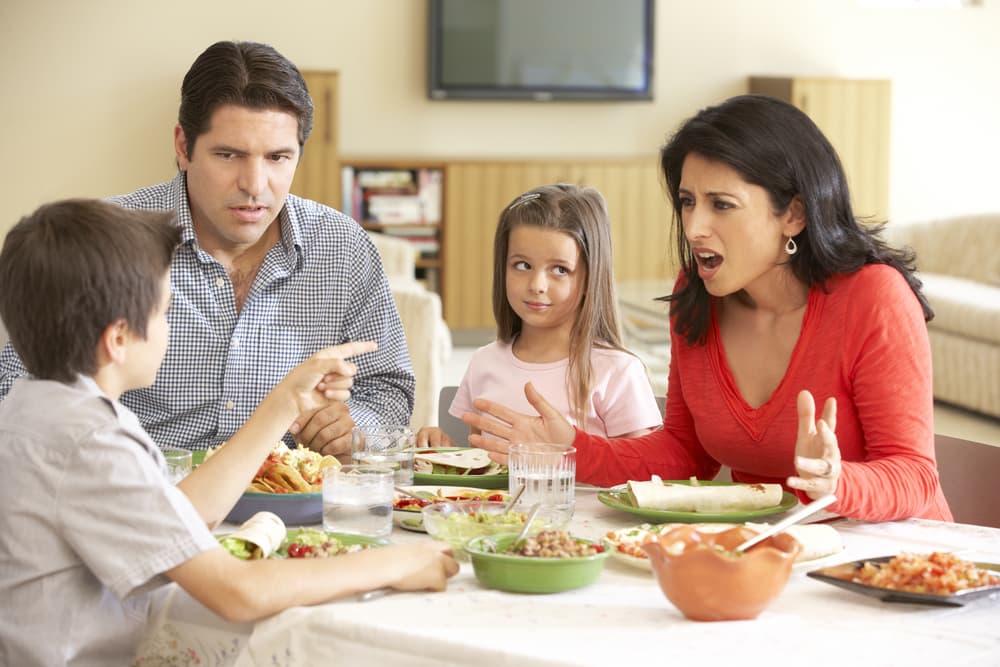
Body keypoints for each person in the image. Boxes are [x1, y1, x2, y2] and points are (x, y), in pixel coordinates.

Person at [0, 199, 458, 667]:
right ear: (118, 339)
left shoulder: (39, 407)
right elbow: (236, 592)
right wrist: (394, 563)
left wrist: (286, 403)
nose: (168, 329)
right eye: (164, 312)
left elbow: (179, 517)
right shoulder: (92, 443)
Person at [462, 95, 953, 523]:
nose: (694, 227)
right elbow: (683, 455)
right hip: (766, 554)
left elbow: (914, 475)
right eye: (687, 201)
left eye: (721, 204)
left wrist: (837, 481)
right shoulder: (696, 297)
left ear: (794, 214)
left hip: (891, 560)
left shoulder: (875, 298)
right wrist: (571, 446)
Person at [0, 40, 414, 458]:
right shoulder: (109, 239)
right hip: (138, 494)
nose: (254, 185)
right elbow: (18, 389)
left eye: (277, 157)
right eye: (229, 155)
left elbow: (389, 388)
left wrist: (351, 427)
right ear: (183, 147)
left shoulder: (343, 246)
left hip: (291, 501)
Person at [418, 184, 661, 448]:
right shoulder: (484, 362)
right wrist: (442, 449)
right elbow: (482, 465)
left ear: (592, 276)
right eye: (522, 265)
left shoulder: (617, 371)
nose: (537, 285)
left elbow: (641, 472)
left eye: (559, 269)